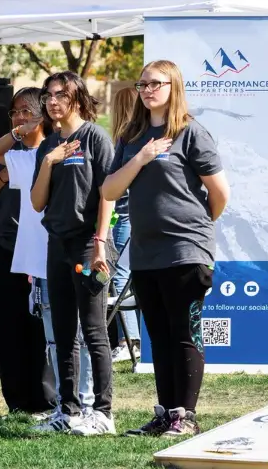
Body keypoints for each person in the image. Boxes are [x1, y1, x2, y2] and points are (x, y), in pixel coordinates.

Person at [103, 60, 230, 437]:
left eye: (154, 84)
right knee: (158, 334)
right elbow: (110, 191)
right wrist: (141, 158)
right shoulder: (130, 137)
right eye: (141, 84)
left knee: (183, 332)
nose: (146, 90)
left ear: (173, 86)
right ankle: (165, 413)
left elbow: (220, 193)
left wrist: (199, 226)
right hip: (145, 251)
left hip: (186, 249)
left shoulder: (191, 132)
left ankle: (184, 416)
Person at [30, 71, 115, 436]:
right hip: (57, 243)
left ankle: (104, 412)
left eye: (60, 94)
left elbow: (109, 193)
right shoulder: (48, 144)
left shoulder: (95, 137)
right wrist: (49, 161)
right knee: (63, 331)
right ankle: (68, 411)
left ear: (77, 97)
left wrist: (100, 242)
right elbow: (37, 203)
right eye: (48, 95)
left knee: (94, 329)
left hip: (87, 244)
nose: (52, 101)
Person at [0, 88, 57, 415]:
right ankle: (17, 401)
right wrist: (3, 178)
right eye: (14, 112)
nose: (19, 118)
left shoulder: (53, 151)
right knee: (9, 326)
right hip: (8, 246)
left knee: (41, 325)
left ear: (43, 115)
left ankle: (47, 398)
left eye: (26, 112)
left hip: (44, 250)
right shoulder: (7, 154)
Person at [109, 86, 141, 363]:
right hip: (134, 214)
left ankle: (129, 340)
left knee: (120, 277)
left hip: (126, 215)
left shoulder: (124, 140)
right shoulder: (139, 139)